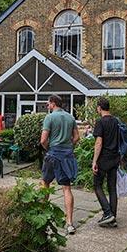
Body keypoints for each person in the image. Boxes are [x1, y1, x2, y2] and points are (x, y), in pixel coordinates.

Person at [40, 94, 80, 235]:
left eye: (48, 104)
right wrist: (69, 147)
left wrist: (48, 148)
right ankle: (69, 223)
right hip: (67, 155)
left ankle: (42, 216)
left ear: (53, 103)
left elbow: (43, 140)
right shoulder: (70, 117)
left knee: (45, 183)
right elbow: (77, 137)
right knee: (66, 188)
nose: (47, 106)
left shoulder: (49, 118)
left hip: (53, 154)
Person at [92, 97, 121, 227]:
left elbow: (99, 143)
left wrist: (94, 161)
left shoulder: (100, 122)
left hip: (104, 159)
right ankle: (112, 217)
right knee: (112, 188)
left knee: (97, 185)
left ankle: (107, 213)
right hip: (115, 158)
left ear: (99, 108)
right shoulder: (116, 121)